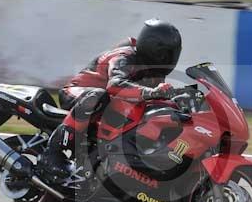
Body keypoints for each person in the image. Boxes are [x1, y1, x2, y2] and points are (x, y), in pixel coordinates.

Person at [39, 19, 182, 183]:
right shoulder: (125, 57)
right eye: (167, 53)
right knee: (98, 96)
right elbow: (115, 86)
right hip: (77, 93)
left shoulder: (154, 71)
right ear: (154, 49)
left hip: (105, 106)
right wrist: (151, 92)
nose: (170, 58)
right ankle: (52, 153)